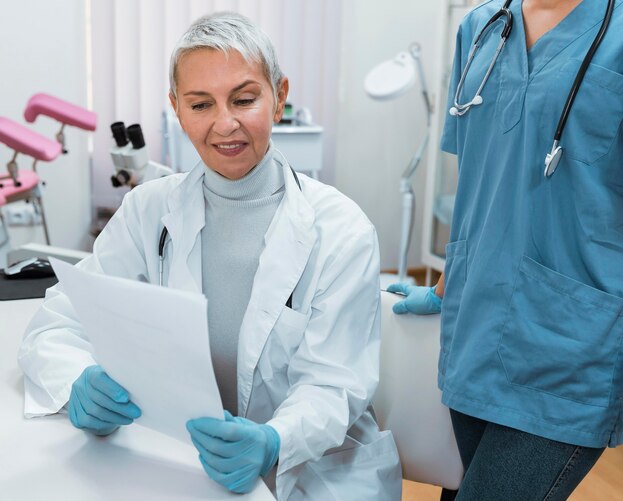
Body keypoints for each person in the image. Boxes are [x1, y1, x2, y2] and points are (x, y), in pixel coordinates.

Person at [18, 12, 401, 500]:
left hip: (315, 475)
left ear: (279, 96)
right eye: (201, 104)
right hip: (178, 462)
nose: (226, 124)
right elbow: (56, 324)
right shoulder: (148, 208)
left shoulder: (341, 230)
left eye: (244, 99)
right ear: (177, 108)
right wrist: (76, 382)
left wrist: (273, 441)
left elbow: (335, 384)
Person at [388, 0, 623, 499]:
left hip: (571, 351)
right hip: (473, 329)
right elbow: (481, 173)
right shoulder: (479, 27)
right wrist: (447, 285)